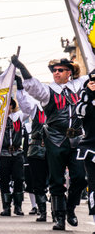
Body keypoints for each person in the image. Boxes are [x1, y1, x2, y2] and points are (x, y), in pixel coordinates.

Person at [12, 56, 88, 230]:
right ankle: (59, 218)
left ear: (69, 72)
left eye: (60, 70)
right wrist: (21, 66)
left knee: (80, 178)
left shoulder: (80, 85)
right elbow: (32, 85)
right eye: (54, 70)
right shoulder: (48, 91)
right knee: (56, 179)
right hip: (55, 139)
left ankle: (70, 208)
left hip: (77, 139)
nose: (56, 73)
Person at [16, 75, 49, 222]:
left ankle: (59, 212)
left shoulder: (59, 107)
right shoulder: (37, 110)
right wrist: (19, 85)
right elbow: (23, 103)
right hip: (37, 149)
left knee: (57, 180)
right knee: (38, 182)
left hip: (56, 148)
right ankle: (42, 211)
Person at [0, 98, 27, 216]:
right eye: (6, 105)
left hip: (17, 152)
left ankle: (18, 206)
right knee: (4, 179)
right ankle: (6, 207)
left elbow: (27, 108)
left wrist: (21, 91)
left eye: (10, 104)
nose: (8, 107)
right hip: (3, 153)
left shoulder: (18, 116)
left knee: (19, 179)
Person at [75, 71, 95, 229]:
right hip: (91, 148)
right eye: (92, 81)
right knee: (94, 186)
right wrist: (89, 93)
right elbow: (79, 112)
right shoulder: (85, 100)